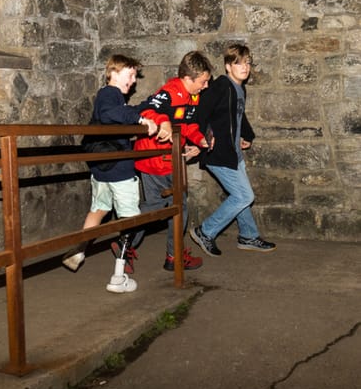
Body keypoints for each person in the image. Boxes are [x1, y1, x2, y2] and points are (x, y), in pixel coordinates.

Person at [62, 55, 158, 287]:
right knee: (129, 219)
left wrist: (144, 107)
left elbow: (114, 115)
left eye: (135, 76)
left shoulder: (114, 98)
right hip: (119, 167)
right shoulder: (110, 94)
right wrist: (140, 118)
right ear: (114, 73)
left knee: (99, 209)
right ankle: (119, 276)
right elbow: (109, 114)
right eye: (130, 74)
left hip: (102, 167)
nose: (133, 80)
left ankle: (78, 251)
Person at [190, 43, 276, 256]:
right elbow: (200, 112)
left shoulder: (239, 88)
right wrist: (200, 139)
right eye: (238, 63)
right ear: (228, 66)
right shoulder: (220, 85)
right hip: (218, 153)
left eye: (247, 63)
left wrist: (247, 136)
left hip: (233, 154)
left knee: (242, 196)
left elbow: (239, 115)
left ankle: (248, 235)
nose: (244, 67)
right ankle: (205, 231)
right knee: (243, 196)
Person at [134, 51, 213, 271]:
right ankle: (126, 238)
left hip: (171, 160)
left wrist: (199, 140)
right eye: (203, 81)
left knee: (177, 208)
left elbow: (187, 125)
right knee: (161, 209)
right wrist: (164, 123)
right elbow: (148, 109)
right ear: (188, 79)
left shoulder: (191, 97)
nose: (205, 86)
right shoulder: (169, 93)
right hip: (153, 160)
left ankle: (173, 256)